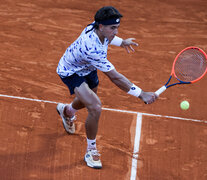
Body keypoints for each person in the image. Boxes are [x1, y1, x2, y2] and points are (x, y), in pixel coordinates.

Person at [56, 6, 157, 169]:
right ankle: (91, 150)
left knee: (83, 102)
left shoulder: (97, 27)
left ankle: (67, 111)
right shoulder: (92, 48)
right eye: (113, 28)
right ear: (101, 26)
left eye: (117, 27)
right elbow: (115, 77)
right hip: (71, 71)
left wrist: (122, 42)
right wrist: (141, 94)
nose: (116, 32)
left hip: (88, 68)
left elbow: (108, 37)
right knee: (95, 107)